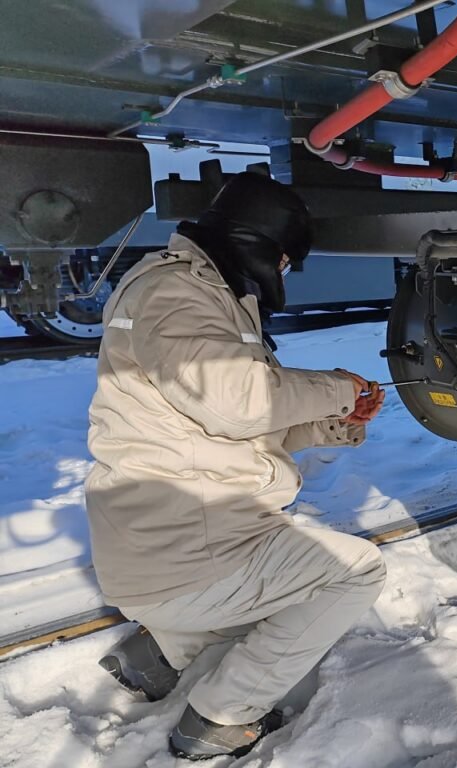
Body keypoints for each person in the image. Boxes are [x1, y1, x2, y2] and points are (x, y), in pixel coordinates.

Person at [85, 172, 387, 760]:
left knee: (276, 570)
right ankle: (223, 718)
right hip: (183, 550)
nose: (283, 271)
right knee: (353, 572)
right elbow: (236, 401)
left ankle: (157, 655)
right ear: (259, 244)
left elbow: (225, 422)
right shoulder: (179, 294)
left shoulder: (196, 289)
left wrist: (334, 422)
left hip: (166, 543)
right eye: (283, 258)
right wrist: (337, 387)